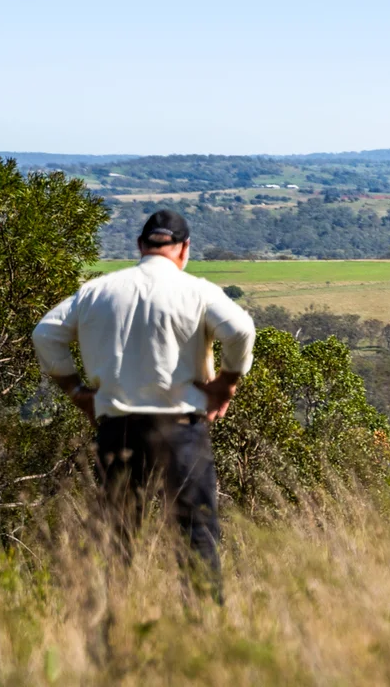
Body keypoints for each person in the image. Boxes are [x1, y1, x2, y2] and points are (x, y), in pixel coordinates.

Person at [33, 209, 256, 593]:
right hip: (181, 430)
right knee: (196, 534)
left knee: (116, 536)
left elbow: (45, 334)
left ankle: (114, 628)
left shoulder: (96, 291)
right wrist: (228, 382)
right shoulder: (197, 290)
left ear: (140, 246)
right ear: (185, 249)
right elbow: (239, 329)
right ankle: (203, 629)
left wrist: (76, 391)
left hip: (118, 427)